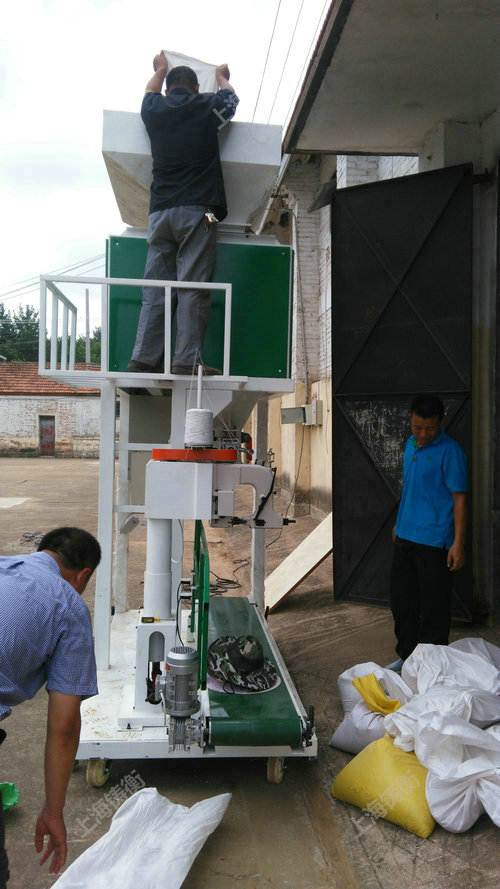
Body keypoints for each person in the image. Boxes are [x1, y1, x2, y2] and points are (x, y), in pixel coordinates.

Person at [0, 527, 101, 885]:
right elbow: (64, 728)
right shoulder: (69, 606)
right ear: (83, 575)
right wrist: (53, 811)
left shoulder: (4, 565)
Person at [128, 53, 239, 376]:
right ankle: (186, 360)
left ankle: (143, 358)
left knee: (156, 288)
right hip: (203, 214)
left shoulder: (154, 109)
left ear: (167, 89)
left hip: (159, 213)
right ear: (195, 87)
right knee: (192, 285)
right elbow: (231, 101)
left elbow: (149, 92)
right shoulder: (206, 107)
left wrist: (159, 69)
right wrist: (222, 77)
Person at [388, 394, 467, 669]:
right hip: (405, 536)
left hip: (434, 541)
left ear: (441, 422)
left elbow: (459, 498)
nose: (423, 434)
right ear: (410, 420)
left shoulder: (451, 452)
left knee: (434, 607)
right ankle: (407, 659)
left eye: (430, 429)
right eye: (417, 427)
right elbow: (411, 488)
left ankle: (432, 665)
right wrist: (399, 523)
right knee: (402, 603)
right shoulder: (410, 445)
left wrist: (458, 543)